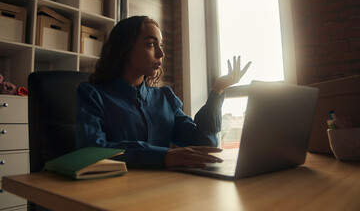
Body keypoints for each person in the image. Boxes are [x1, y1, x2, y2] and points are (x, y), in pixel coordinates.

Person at [76, 16, 251, 169]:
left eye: (160, 45)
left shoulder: (165, 97)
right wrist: (162, 156)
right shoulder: (92, 94)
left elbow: (205, 144)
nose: (161, 53)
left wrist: (217, 91)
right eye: (151, 44)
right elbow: (92, 150)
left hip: (165, 189)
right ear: (124, 48)